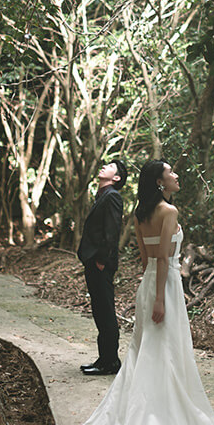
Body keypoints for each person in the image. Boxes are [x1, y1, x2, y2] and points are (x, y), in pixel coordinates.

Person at [52, 158, 214, 425]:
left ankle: (153, 410)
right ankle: (162, 419)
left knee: (147, 350)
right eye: (171, 172)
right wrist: (161, 299)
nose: (176, 175)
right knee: (166, 351)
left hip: (148, 284)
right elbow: (163, 258)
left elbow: (146, 256)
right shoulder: (169, 211)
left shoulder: (141, 213)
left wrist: (153, 291)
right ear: (160, 182)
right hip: (165, 288)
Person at [77, 158, 127, 376]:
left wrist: (101, 261)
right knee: (99, 309)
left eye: (110, 167)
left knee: (105, 310)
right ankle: (105, 358)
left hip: (100, 264)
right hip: (93, 261)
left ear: (116, 178)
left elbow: (112, 231)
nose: (104, 167)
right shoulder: (103, 196)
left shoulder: (113, 197)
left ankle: (110, 361)